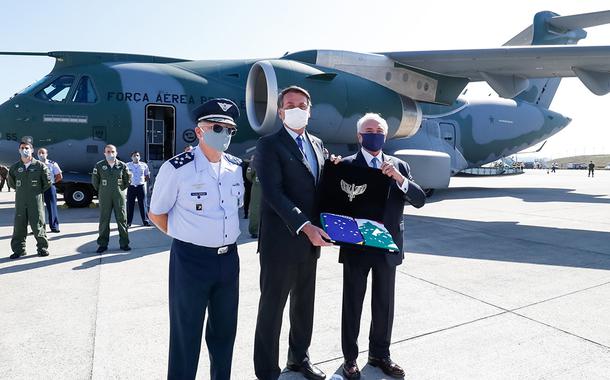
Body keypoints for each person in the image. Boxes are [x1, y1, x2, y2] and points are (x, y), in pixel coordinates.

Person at [148, 98, 244, 380]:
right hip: (190, 260)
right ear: (200, 131)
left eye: (229, 130)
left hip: (228, 259)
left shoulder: (236, 168)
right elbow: (157, 214)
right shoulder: (177, 168)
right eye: (217, 127)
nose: (224, 134)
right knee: (185, 334)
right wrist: (187, 237)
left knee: (225, 333)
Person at [338, 113, 426, 379]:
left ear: (385, 136)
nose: (373, 133)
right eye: (368, 129)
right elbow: (334, 204)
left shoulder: (399, 165)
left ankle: (380, 354)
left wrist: (399, 179)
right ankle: (350, 359)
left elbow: (420, 199)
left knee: (384, 304)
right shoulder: (346, 164)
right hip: (358, 244)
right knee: (352, 302)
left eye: (378, 130)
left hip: (388, 245)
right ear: (359, 136)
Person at [253, 86, 332, 380]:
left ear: (310, 111)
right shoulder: (269, 145)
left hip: (311, 243)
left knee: (304, 306)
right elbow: (273, 193)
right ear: (281, 111)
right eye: (290, 104)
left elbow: (322, 189)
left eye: (302, 104)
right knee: (272, 310)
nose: (297, 108)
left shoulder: (318, 145)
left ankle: (299, 358)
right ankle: (267, 371)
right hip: (281, 242)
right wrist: (305, 226)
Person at [7, 140, 52, 259]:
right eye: (22, 148)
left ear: (32, 150)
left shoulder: (40, 166)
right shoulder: (15, 167)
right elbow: (11, 183)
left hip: (35, 200)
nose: (24, 150)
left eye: (26, 148)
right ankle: (19, 250)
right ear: (19, 150)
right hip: (21, 200)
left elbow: (47, 183)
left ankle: (42, 248)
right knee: (19, 225)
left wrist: (36, 192)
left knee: (38, 224)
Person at [91, 144, 131, 253]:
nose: (110, 154)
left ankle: (124, 243)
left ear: (116, 153)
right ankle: (103, 244)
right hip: (105, 195)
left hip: (119, 195)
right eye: (108, 152)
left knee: (122, 219)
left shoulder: (122, 166)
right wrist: (103, 190)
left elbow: (127, 180)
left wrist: (120, 189)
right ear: (104, 153)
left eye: (112, 151)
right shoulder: (99, 165)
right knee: (104, 219)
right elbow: (95, 182)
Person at [37, 148, 62, 232]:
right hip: (37, 188)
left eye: (43, 153)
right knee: (37, 209)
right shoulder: (34, 164)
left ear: (46, 154)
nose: (41, 154)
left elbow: (59, 176)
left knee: (52, 207)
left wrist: (52, 182)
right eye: (39, 153)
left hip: (49, 187)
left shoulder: (52, 164)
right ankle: (38, 228)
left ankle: (54, 227)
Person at [126, 151, 151, 227]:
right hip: (131, 187)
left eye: (137, 155)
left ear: (140, 157)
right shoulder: (127, 165)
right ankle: (128, 222)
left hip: (141, 187)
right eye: (134, 155)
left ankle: (145, 221)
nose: (136, 157)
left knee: (143, 204)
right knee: (130, 205)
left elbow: (147, 176)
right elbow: (124, 175)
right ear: (131, 157)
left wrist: (141, 181)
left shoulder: (144, 165)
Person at [245, 154, 261, 238]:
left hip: (263, 187)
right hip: (258, 188)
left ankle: (257, 230)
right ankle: (254, 230)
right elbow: (249, 175)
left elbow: (249, 175)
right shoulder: (255, 159)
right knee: (255, 208)